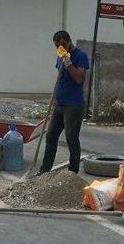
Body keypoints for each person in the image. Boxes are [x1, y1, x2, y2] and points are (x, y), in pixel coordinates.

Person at [39, 30, 90, 175]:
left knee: (71, 138)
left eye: (61, 45)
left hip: (73, 105)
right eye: (56, 46)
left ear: (69, 41)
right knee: (50, 136)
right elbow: (60, 78)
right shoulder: (60, 55)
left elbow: (79, 79)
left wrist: (68, 62)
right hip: (59, 104)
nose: (59, 48)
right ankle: (45, 170)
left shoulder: (80, 56)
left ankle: (72, 174)